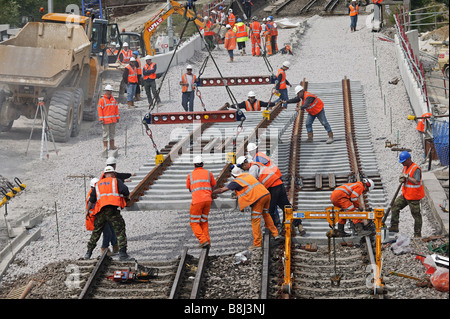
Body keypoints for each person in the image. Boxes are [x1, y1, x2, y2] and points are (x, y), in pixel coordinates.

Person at [212, 166, 280, 250]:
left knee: (255, 221)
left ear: (233, 175)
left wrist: (210, 191)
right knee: (266, 214)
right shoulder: (248, 175)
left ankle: (257, 243)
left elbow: (222, 190)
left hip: (258, 199)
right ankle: (275, 234)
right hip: (266, 194)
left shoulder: (236, 181)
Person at [246, 143, 306, 235]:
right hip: (278, 181)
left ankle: (273, 230)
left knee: (269, 209)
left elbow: (255, 178)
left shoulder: (256, 160)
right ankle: (299, 224)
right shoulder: (261, 155)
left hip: (272, 184)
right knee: (286, 206)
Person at [84, 166, 131, 261]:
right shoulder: (116, 181)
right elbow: (125, 191)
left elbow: (92, 199)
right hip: (112, 210)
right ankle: (122, 254)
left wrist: (87, 211)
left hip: (100, 211)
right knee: (120, 229)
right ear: (113, 174)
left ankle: (88, 253)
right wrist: (126, 198)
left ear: (104, 174)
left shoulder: (98, 184)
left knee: (96, 232)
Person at [389, 151, 425, 238]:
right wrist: (402, 178)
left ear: (409, 159)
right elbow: (405, 176)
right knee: (395, 206)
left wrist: (407, 177)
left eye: (403, 161)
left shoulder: (416, 169)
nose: (402, 163)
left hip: (414, 197)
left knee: (416, 216)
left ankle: (417, 235)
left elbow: (416, 181)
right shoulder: (406, 167)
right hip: (406, 195)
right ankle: (394, 226)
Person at [187, 155, 217, 248]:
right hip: (208, 200)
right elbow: (214, 185)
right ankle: (207, 241)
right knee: (204, 221)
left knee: (194, 222)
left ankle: (203, 240)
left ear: (194, 165)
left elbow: (189, 188)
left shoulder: (190, 175)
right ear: (203, 164)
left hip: (197, 201)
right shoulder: (209, 173)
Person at [86, 177, 118, 256]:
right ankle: (104, 249)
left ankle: (115, 246)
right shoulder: (91, 196)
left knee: (112, 229)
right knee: (108, 233)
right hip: (98, 218)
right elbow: (95, 208)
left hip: (104, 215)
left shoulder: (98, 192)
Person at [98, 84, 120, 158]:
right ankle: (105, 147)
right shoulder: (102, 100)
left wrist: (117, 117)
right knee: (105, 134)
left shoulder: (113, 100)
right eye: (108, 91)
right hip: (105, 121)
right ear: (105, 91)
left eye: (110, 91)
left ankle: (112, 146)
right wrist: (101, 119)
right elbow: (100, 110)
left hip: (113, 120)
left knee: (112, 133)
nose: (109, 92)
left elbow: (116, 109)